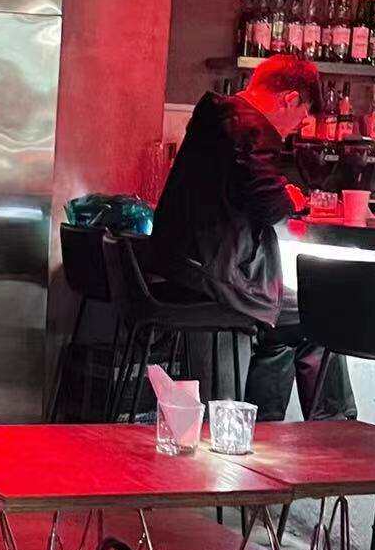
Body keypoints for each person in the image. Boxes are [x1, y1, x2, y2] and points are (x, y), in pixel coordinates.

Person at [152, 53, 355, 421]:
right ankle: (337, 429)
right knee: (320, 315)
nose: (297, 128)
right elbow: (268, 204)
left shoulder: (215, 116)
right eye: (301, 116)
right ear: (289, 99)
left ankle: (262, 428)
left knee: (283, 325)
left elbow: (244, 188)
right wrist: (290, 197)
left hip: (186, 268)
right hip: (217, 279)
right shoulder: (250, 128)